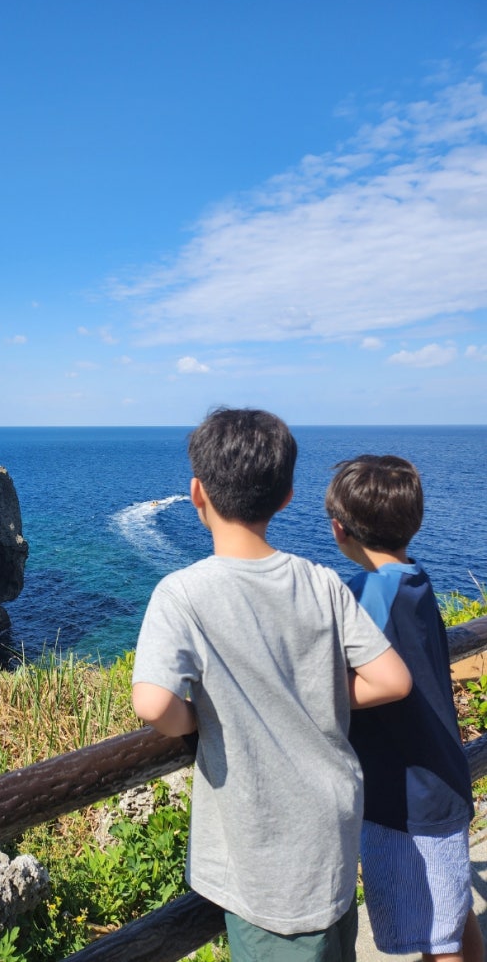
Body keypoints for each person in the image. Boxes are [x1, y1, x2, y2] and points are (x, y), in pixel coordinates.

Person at [132, 408, 412, 961]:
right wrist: (319, 696)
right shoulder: (322, 581)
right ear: (285, 497)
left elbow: (153, 702)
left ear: (197, 493)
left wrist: (199, 717)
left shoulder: (183, 593)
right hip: (331, 823)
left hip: (268, 845)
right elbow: (392, 679)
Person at [325, 454, 482, 962]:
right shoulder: (414, 577)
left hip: (407, 796)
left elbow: (359, 677)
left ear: (338, 529)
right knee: (452, 915)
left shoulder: (364, 596)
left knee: (437, 938)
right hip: (442, 776)